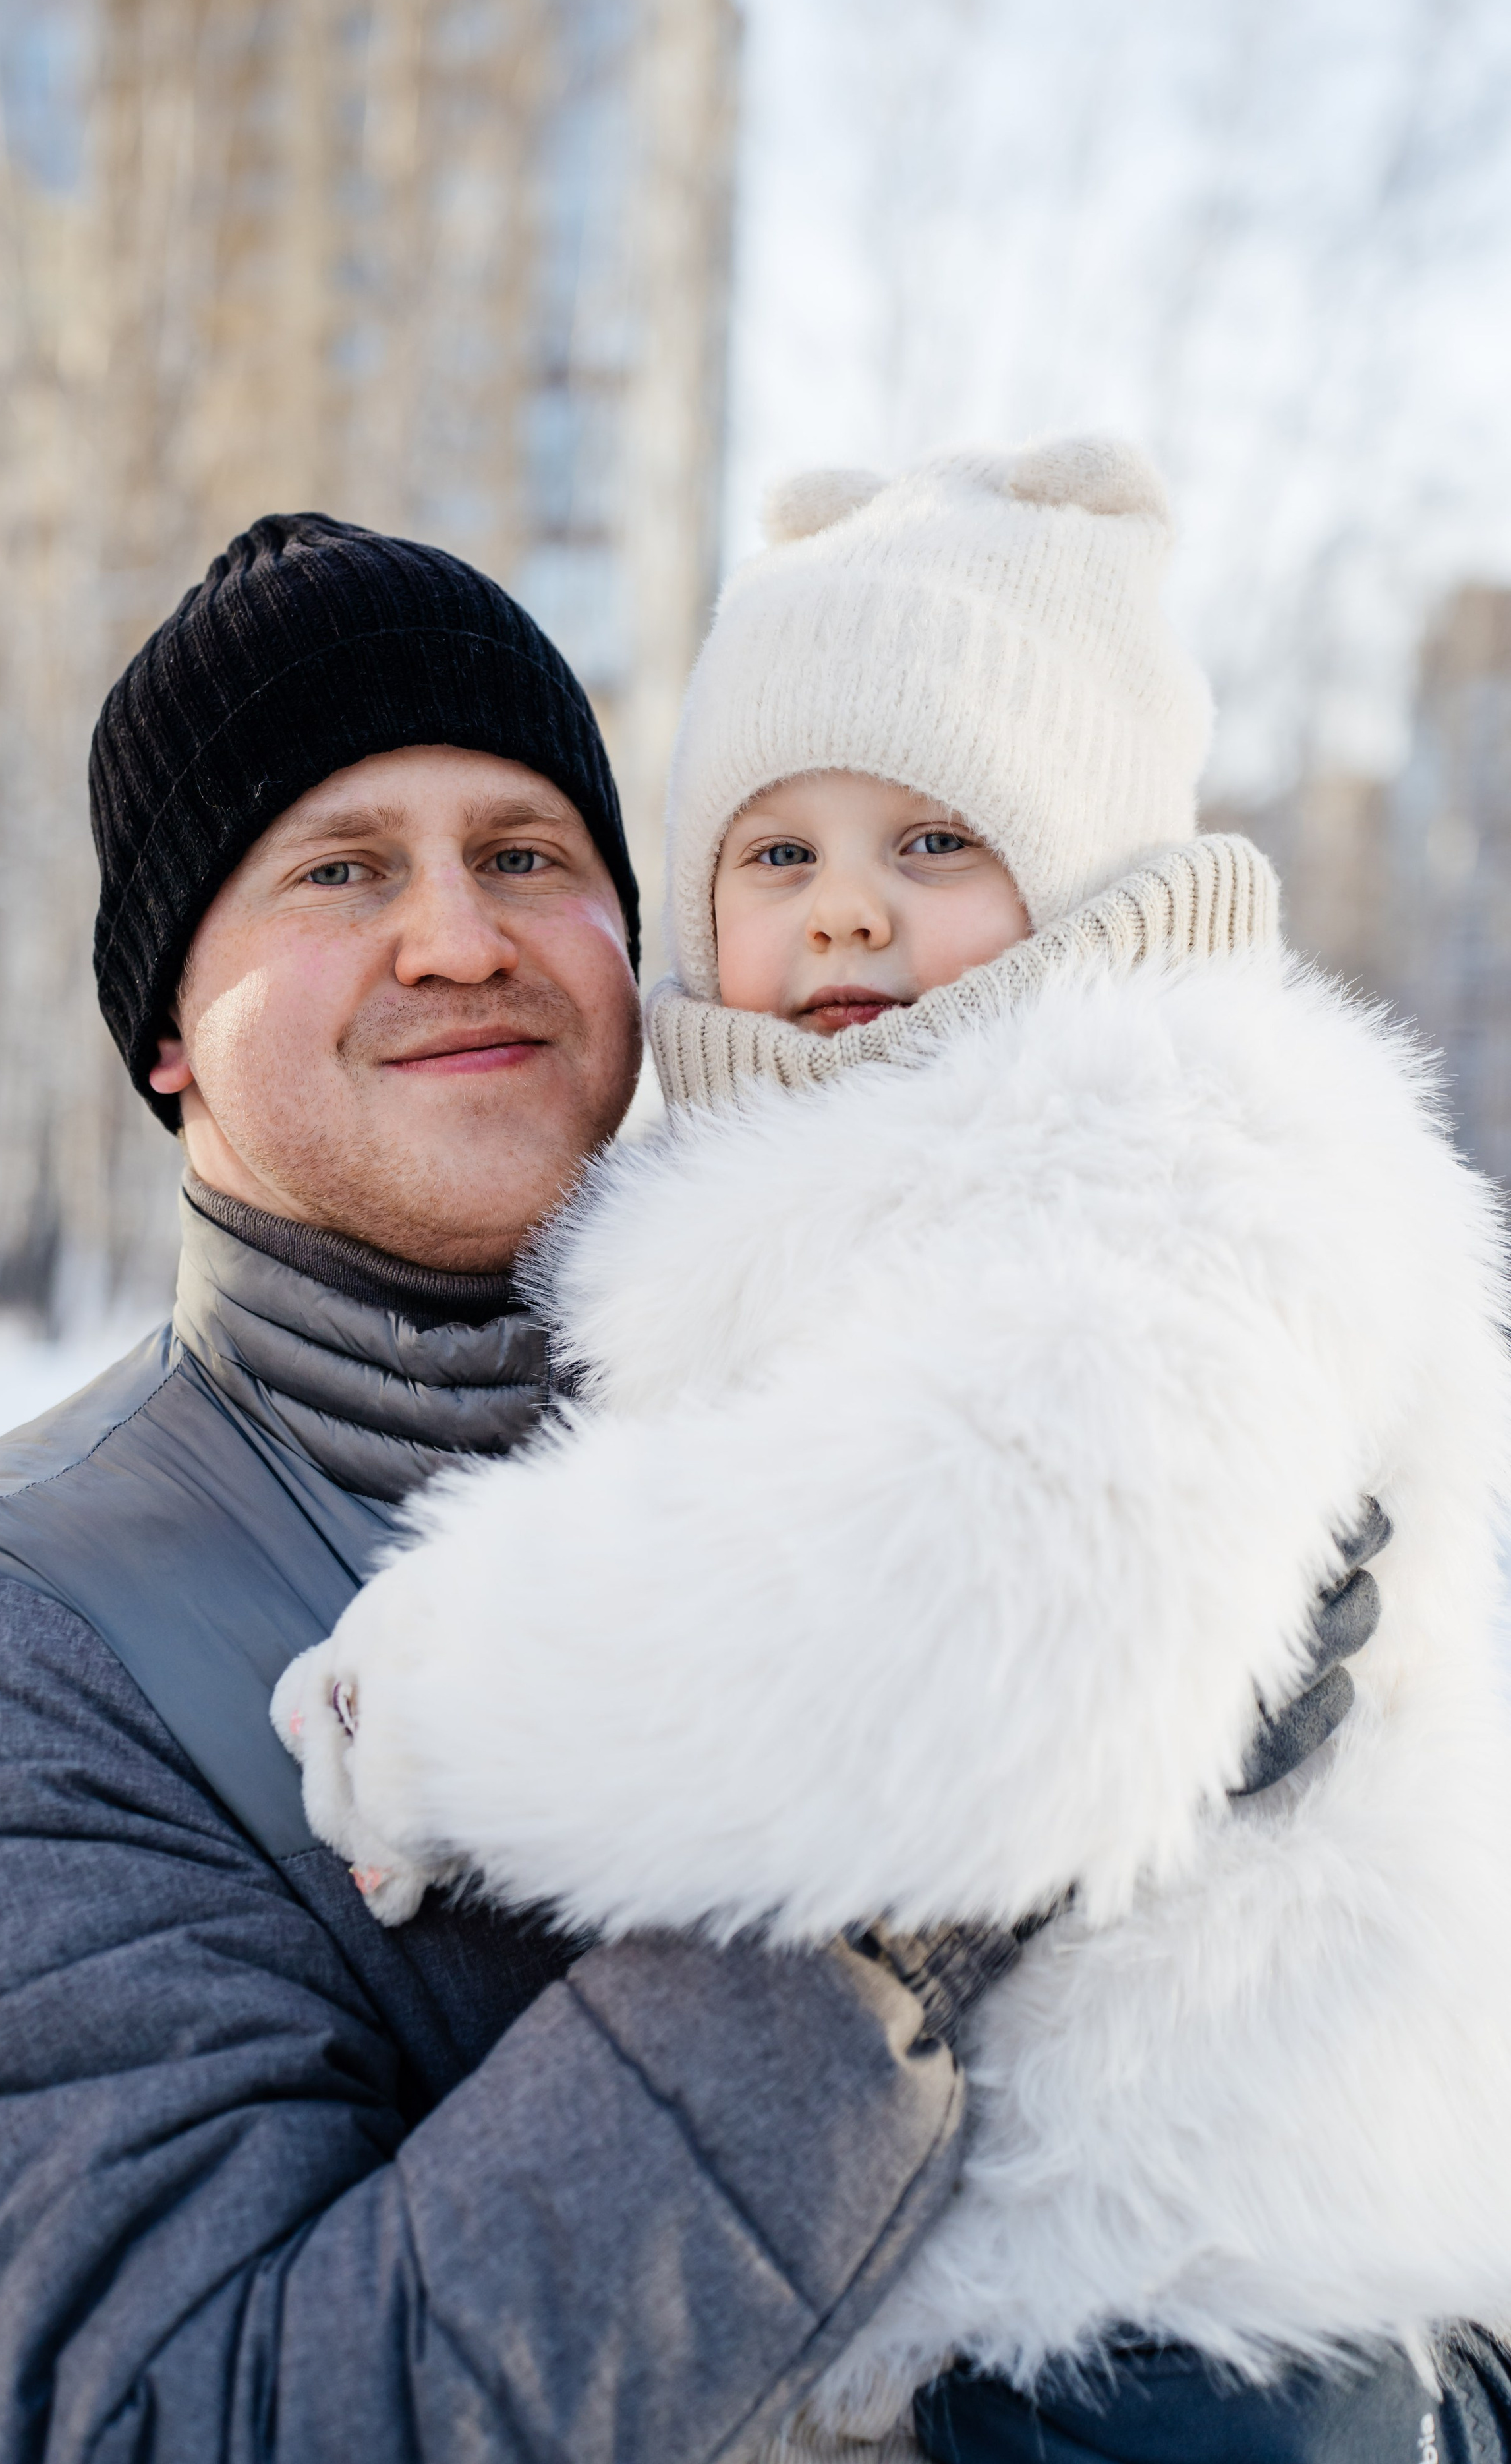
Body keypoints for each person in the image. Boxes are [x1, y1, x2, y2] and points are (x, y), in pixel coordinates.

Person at [273, 444, 1511, 2464]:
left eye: (936, 840)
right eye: (776, 854)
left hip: (1193, 2309)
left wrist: (439, 1696)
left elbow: (919, 1648)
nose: (846, 903)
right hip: (1049, 2293)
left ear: (1103, 876)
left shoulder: (1159, 1162)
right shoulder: (880, 1203)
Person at [0, 519, 996, 2464]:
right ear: (165, 1039)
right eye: (339, 869)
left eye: (527, 857)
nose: (460, 937)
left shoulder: (909, 1418)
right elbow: (197, 2424)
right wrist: (950, 1826)